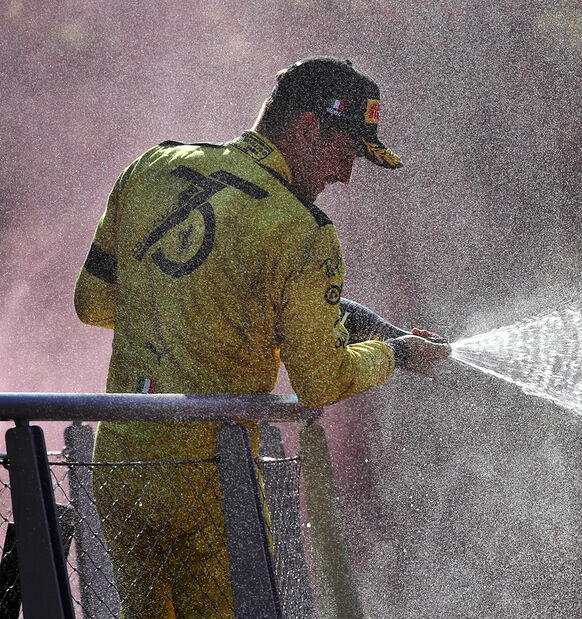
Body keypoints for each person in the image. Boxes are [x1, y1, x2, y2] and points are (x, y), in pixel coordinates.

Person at [73, 56, 450, 617]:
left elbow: (93, 302)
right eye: (345, 155)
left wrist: (197, 309)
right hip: (210, 479)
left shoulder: (153, 166)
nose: (345, 176)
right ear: (306, 129)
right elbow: (322, 379)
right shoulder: (300, 231)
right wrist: (394, 353)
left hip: (122, 464)